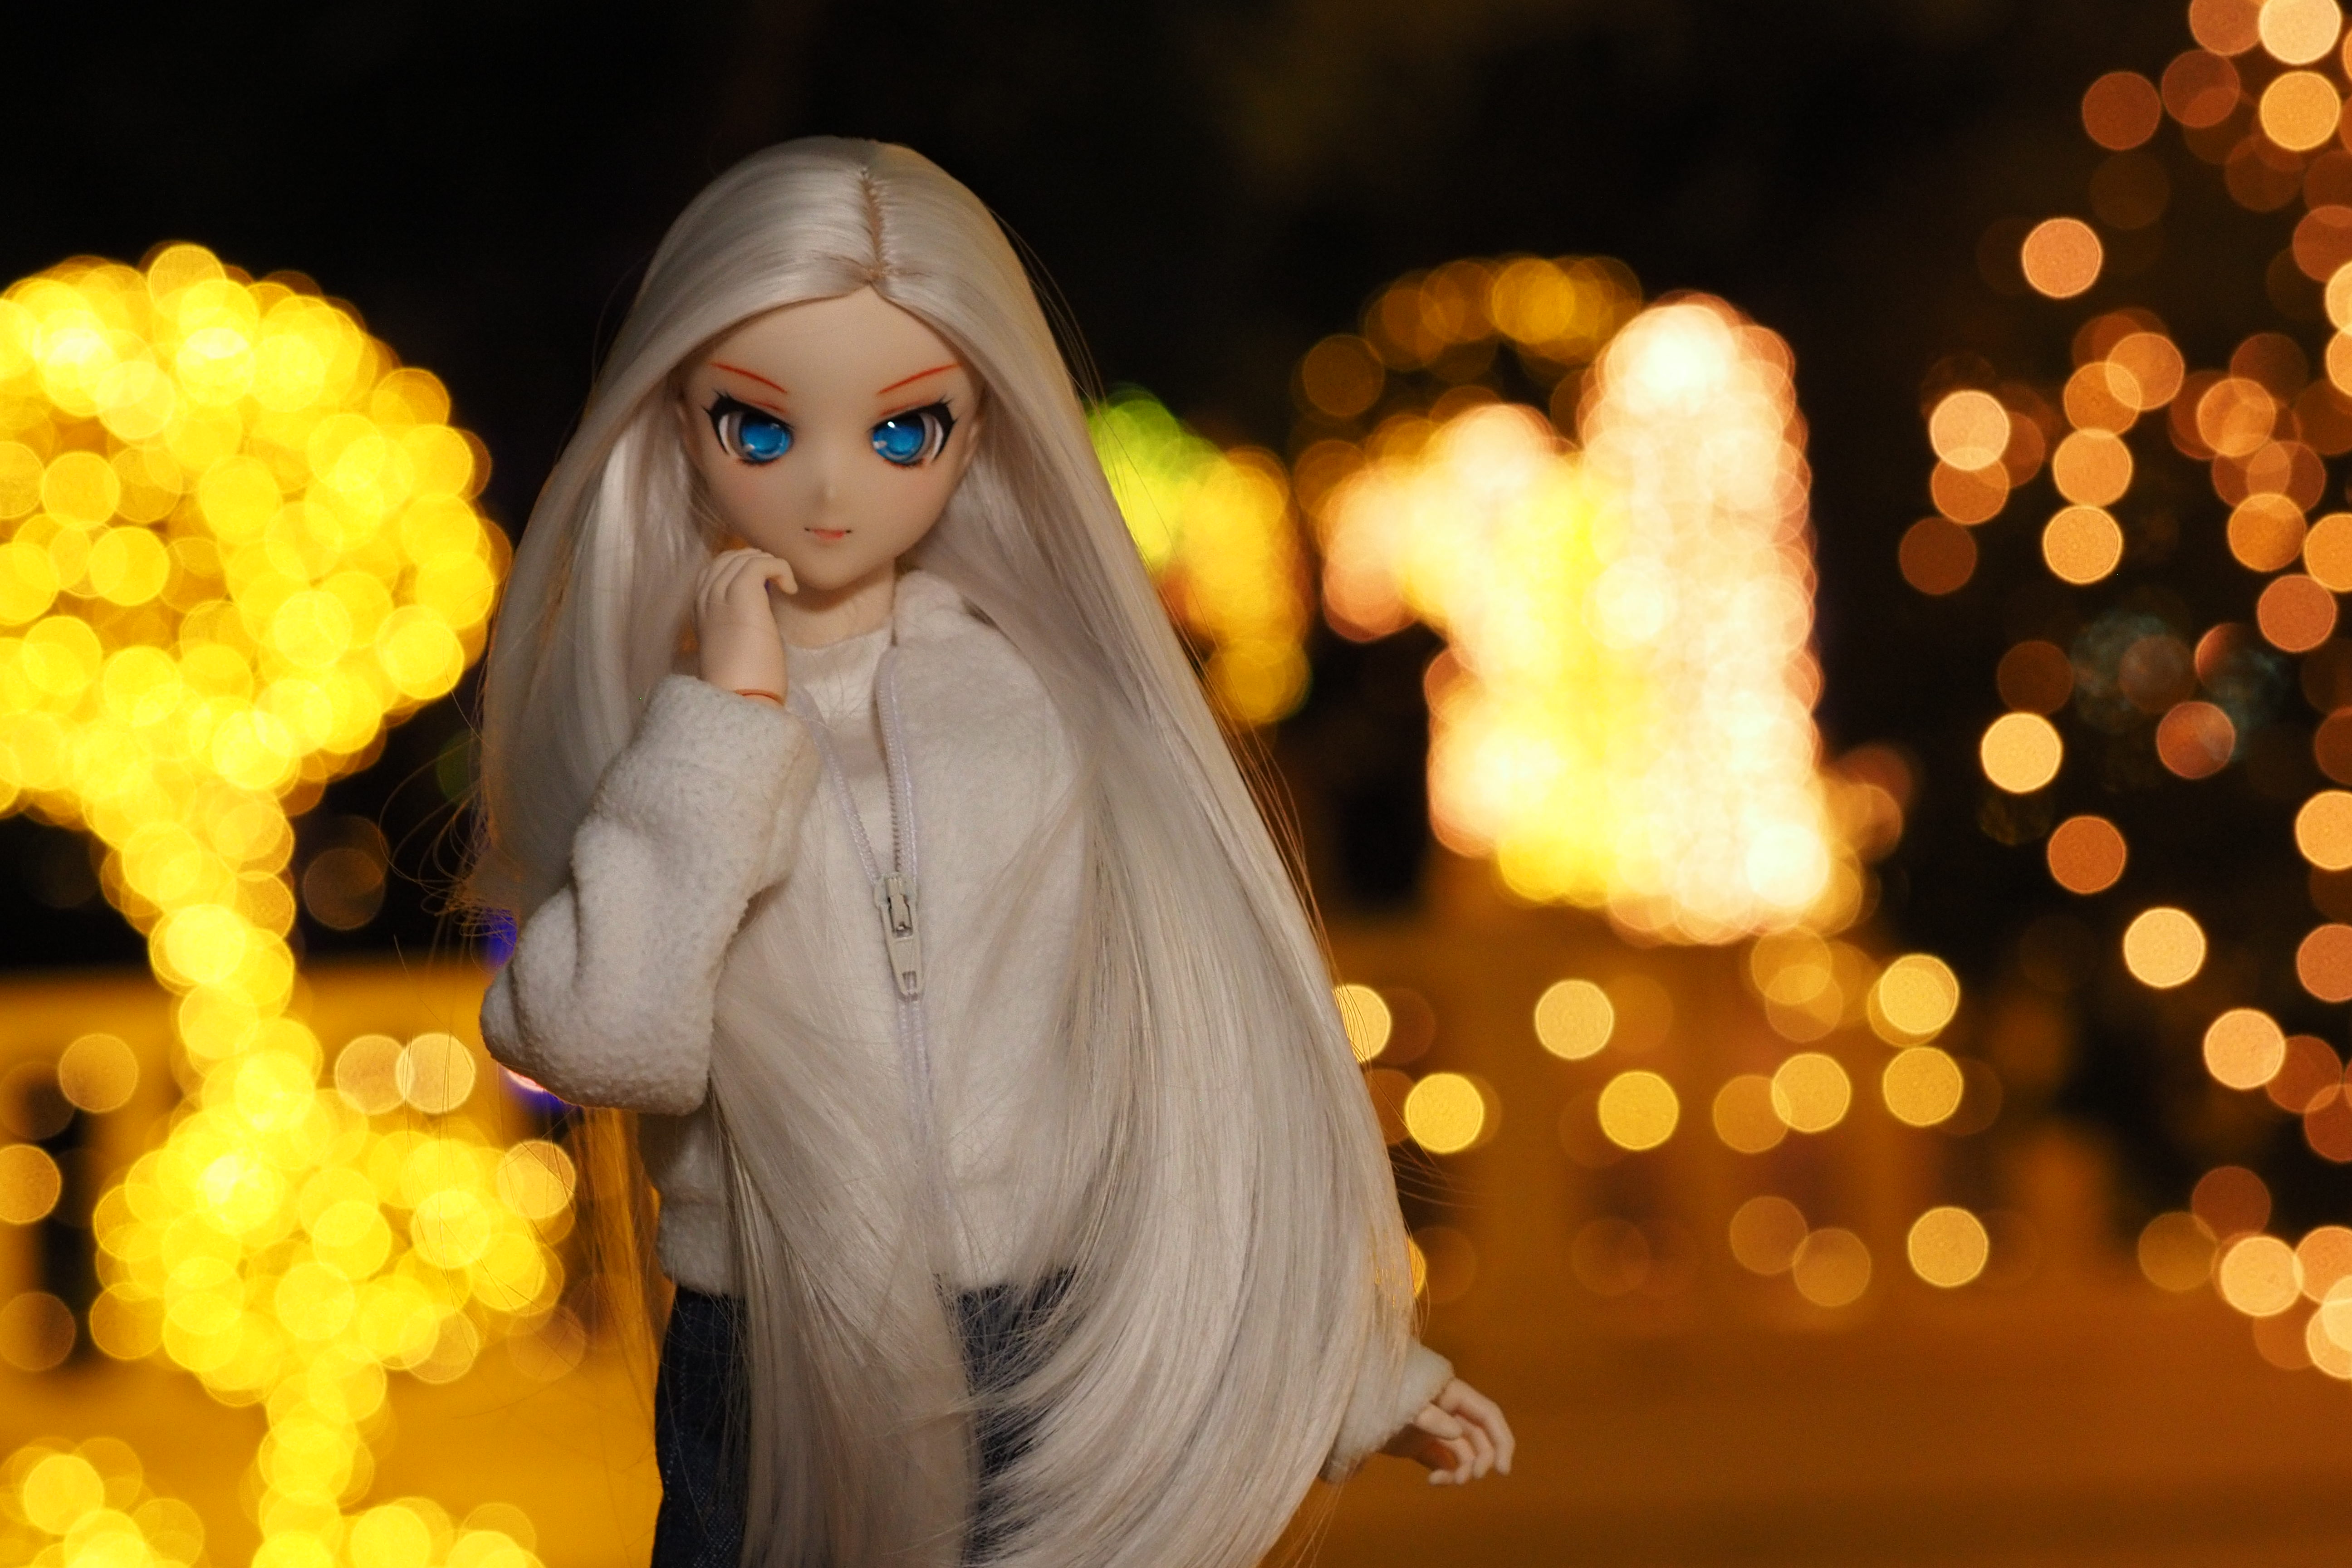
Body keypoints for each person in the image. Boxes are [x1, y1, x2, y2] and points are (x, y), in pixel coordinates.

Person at [471, 137, 1510, 1568]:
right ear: (675, 422)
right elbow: (605, 1039)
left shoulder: (1034, 707)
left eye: (904, 430)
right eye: (758, 428)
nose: (831, 488)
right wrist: (726, 724)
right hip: (776, 1347)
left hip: (1045, 1333)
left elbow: (1182, 1065)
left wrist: (1350, 1366)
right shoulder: (673, 739)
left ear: (982, 430)